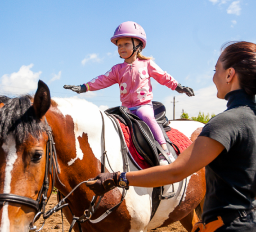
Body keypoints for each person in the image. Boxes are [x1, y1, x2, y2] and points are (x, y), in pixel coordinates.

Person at [86, 41, 256, 232]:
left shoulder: (226, 123)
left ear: (230, 74)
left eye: (216, 70)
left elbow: (174, 172)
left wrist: (118, 178)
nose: (213, 77)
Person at [64, 21, 195, 163]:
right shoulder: (117, 69)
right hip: (126, 108)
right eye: (119, 45)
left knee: (147, 117)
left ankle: (164, 151)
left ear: (137, 45)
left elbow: (163, 77)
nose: (121, 48)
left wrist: (178, 86)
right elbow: (102, 80)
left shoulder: (147, 64)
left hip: (143, 105)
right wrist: (84, 87)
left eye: (126, 44)